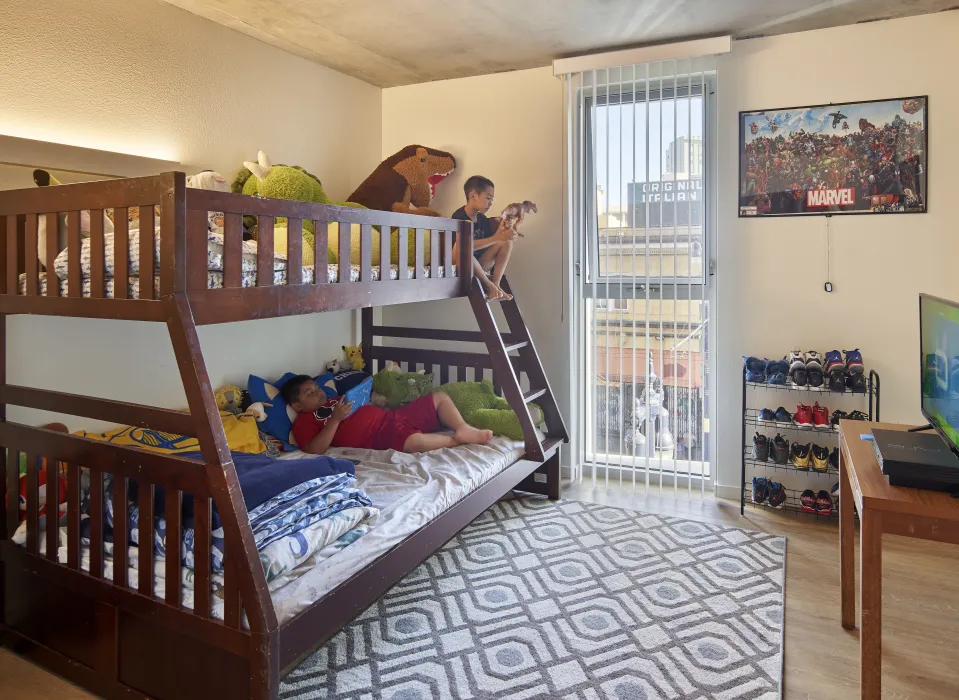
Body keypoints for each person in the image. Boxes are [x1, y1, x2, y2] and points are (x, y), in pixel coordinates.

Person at [281, 375, 493, 455]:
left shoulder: (334, 399)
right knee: (412, 442)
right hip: (376, 435)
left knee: (438, 396)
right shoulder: (304, 422)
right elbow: (314, 450)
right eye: (310, 393)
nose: (318, 392)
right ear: (297, 406)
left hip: (391, 416)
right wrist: (335, 419)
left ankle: (463, 427)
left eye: (316, 388)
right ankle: (454, 440)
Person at [451, 175, 518, 301]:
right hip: (462, 262)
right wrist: (497, 237)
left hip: (480, 264)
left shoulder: (482, 219)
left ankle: (496, 283)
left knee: (507, 242)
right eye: (488, 198)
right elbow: (463, 246)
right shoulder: (459, 216)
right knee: (462, 246)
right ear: (473, 196)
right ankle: (489, 285)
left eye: (492, 199)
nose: (491, 203)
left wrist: (502, 231)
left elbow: (492, 241)